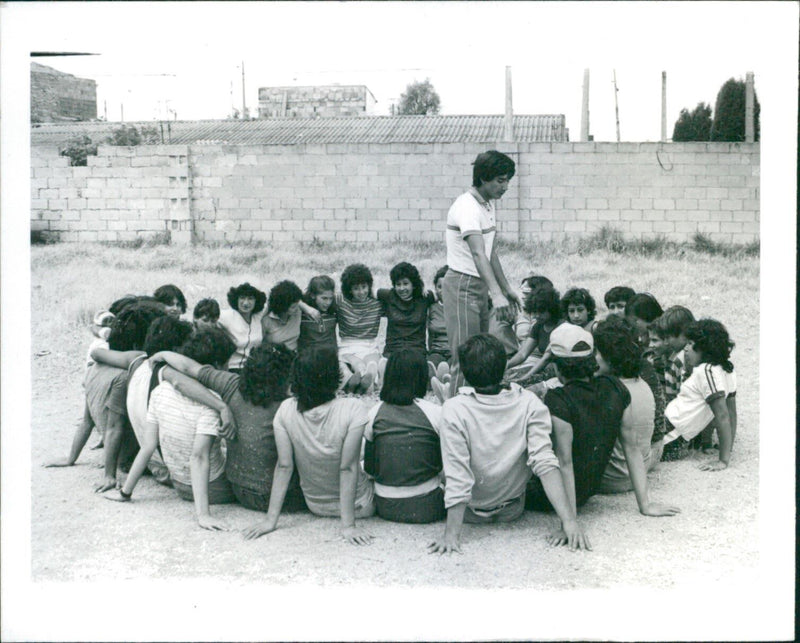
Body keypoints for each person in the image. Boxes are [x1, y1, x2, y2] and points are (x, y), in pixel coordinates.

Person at [428, 334, 590, 554]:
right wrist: (569, 521)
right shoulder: (529, 402)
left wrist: (451, 535)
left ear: (464, 373)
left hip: (471, 513)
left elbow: (458, 476)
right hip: (512, 509)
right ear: (505, 367)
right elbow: (545, 463)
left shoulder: (454, 409)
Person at [146, 342, 307, 513]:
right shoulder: (288, 405)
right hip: (276, 497)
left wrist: (163, 353)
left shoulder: (231, 384)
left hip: (239, 490)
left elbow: (188, 367)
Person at [243, 346, 375, 545]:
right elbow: (347, 468)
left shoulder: (285, 410)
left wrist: (270, 520)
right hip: (360, 505)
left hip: (315, 504)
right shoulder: (353, 409)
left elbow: (284, 466)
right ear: (335, 377)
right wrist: (349, 526)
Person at [45, 304, 165, 492]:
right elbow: (114, 427)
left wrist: (71, 457)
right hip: (127, 457)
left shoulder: (94, 366)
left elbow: (87, 421)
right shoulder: (124, 377)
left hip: (120, 451)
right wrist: (109, 476)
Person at [525, 324, 631, 515]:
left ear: (557, 367)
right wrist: (645, 505)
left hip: (553, 496)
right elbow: (632, 448)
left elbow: (564, 462)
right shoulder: (614, 387)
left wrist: (570, 520)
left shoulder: (558, 398)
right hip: (587, 491)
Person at [442, 150, 522, 397]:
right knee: (465, 357)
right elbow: (477, 254)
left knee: (481, 356)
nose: (505, 186)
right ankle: (453, 417)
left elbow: (491, 253)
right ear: (483, 178)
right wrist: (496, 296)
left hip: (480, 284)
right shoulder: (467, 206)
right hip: (462, 284)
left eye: (508, 180)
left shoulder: (487, 205)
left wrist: (506, 289)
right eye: (500, 180)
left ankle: (474, 409)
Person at [143, 329, 239, 529]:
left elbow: (149, 445)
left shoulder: (162, 390)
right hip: (214, 487)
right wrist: (203, 515)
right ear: (215, 368)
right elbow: (199, 457)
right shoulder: (213, 402)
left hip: (178, 483)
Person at [592, 317, 681, 516]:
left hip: (612, 478)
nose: (594, 357)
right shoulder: (641, 383)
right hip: (643, 466)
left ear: (610, 358)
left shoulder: (608, 391)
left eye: (597, 352)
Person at [364, 349, 445, 524]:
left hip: (386, 506)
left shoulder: (374, 413)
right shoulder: (435, 413)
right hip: (429, 505)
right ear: (422, 378)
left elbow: (370, 468)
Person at [664, 319, 737, 472]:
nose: (686, 349)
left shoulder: (706, 371)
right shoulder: (727, 370)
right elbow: (731, 412)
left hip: (670, 432)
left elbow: (723, 415)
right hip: (678, 434)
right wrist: (727, 448)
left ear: (705, 347)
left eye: (690, 344)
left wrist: (723, 460)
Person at [649, 305, 697, 460]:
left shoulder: (680, 360)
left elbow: (678, 398)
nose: (667, 342)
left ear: (683, 335)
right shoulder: (680, 355)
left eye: (669, 337)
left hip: (680, 417)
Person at [336, 264, 384, 394]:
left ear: (369, 286)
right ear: (349, 289)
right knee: (356, 364)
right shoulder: (340, 301)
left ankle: (368, 381)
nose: (361, 292)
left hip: (369, 344)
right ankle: (354, 381)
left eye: (364, 287)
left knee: (372, 363)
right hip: (348, 345)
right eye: (356, 288)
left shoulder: (377, 303)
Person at [377, 262, 435, 359]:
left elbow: (444, 294)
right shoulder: (388, 295)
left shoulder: (424, 298)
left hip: (417, 350)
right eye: (398, 284)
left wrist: (423, 289)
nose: (402, 288)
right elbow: (368, 292)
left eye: (405, 283)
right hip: (393, 350)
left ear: (413, 284)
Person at [505, 287, 563, 382]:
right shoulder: (538, 326)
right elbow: (523, 354)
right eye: (535, 312)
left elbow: (546, 359)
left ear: (552, 309)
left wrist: (524, 378)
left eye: (541, 312)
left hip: (559, 372)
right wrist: (507, 365)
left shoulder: (561, 326)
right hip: (544, 367)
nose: (537, 315)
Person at [219, 282, 266, 372]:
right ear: (236, 299)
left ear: (256, 301)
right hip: (232, 368)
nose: (245, 303)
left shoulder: (259, 316)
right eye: (242, 298)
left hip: (253, 368)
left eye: (250, 299)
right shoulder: (227, 316)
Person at [261, 280, 304, 351]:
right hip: (276, 358)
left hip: (295, 356)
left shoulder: (297, 312)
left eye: (297, 305)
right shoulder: (266, 320)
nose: (297, 309)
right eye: (293, 307)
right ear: (282, 307)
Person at [515, 275, 553, 342]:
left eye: (527, 293)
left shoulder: (550, 314)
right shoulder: (517, 311)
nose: (523, 297)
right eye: (522, 292)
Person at [426, 265, 451, 370]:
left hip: (454, 352)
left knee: (453, 368)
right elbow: (430, 335)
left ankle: (444, 383)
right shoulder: (432, 308)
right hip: (436, 351)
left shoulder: (459, 308)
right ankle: (438, 384)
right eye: (440, 287)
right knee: (430, 367)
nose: (443, 291)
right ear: (435, 288)